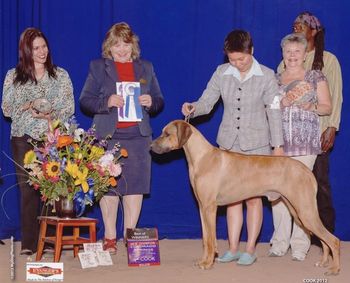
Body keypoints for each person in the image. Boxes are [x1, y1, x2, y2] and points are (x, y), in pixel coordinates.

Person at [182, 29, 284, 265]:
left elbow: (274, 112)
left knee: (253, 199)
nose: (237, 63)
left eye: (242, 59)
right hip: (228, 145)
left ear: (252, 52)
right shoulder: (221, 73)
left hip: (257, 146)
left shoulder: (267, 76)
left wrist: (277, 147)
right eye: (232, 59)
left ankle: (250, 249)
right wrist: (193, 107)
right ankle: (233, 248)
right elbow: (207, 102)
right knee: (231, 200)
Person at [79, 22, 164, 255]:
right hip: (108, 137)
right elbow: (85, 100)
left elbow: (159, 100)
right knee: (108, 188)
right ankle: (109, 237)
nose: (122, 49)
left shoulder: (145, 67)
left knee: (135, 188)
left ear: (133, 45)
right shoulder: (98, 67)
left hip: (138, 137)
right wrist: (106, 102)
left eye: (126, 44)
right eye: (116, 44)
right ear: (109, 46)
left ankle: (130, 236)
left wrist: (150, 102)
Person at [1, 27, 75, 255]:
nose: (42, 52)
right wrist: (28, 105)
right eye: (36, 48)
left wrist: (49, 115)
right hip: (23, 137)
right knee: (27, 190)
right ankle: (29, 244)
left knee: (51, 189)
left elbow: (69, 108)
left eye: (44, 46)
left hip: (51, 138)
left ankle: (50, 240)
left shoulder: (60, 75)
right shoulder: (13, 76)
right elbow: (6, 108)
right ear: (26, 51)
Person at [278, 11, 343, 244]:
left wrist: (332, 127)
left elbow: (336, 95)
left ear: (313, 31)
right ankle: (289, 238)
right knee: (287, 188)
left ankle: (324, 235)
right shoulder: (285, 62)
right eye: (294, 25)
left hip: (316, 132)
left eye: (301, 25)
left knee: (319, 185)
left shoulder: (328, 60)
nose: (296, 28)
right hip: (287, 136)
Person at [269, 33, 332, 261]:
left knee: (301, 195)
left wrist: (312, 105)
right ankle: (279, 241)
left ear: (305, 55)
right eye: (288, 52)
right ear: (283, 55)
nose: (293, 55)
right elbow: (267, 109)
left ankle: (300, 244)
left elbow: (327, 107)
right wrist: (279, 104)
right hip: (278, 144)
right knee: (277, 195)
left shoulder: (315, 76)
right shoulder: (274, 79)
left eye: (297, 51)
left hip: (305, 144)